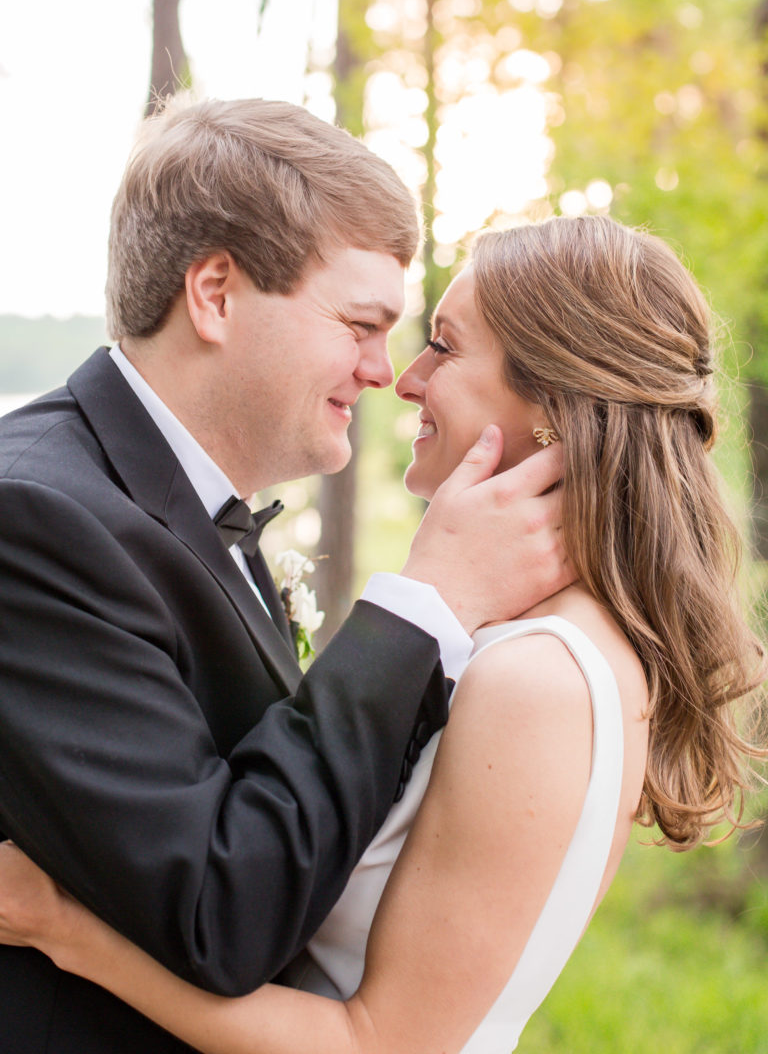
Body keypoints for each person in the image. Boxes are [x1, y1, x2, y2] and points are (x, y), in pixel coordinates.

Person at [0, 215, 763, 1054]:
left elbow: (380, 1044)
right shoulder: (522, 636)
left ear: (553, 400)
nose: (404, 379)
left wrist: (64, 926)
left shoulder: (542, 680)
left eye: (444, 345)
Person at [0, 98, 570, 1054]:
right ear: (216, 293)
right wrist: (420, 607)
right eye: (359, 322)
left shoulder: (173, 502)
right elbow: (222, 912)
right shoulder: (37, 519)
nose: (384, 370)